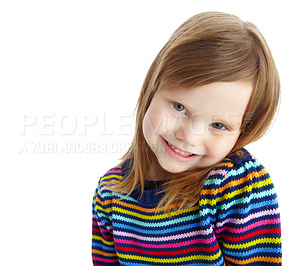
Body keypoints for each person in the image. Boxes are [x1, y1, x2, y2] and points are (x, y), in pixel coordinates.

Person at [92, 11, 282, 265]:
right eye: (179, 107)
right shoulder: (111, 191)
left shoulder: (236, 186)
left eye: (218, 125)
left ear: (242, 132)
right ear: (153, 88)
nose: (188, 136)